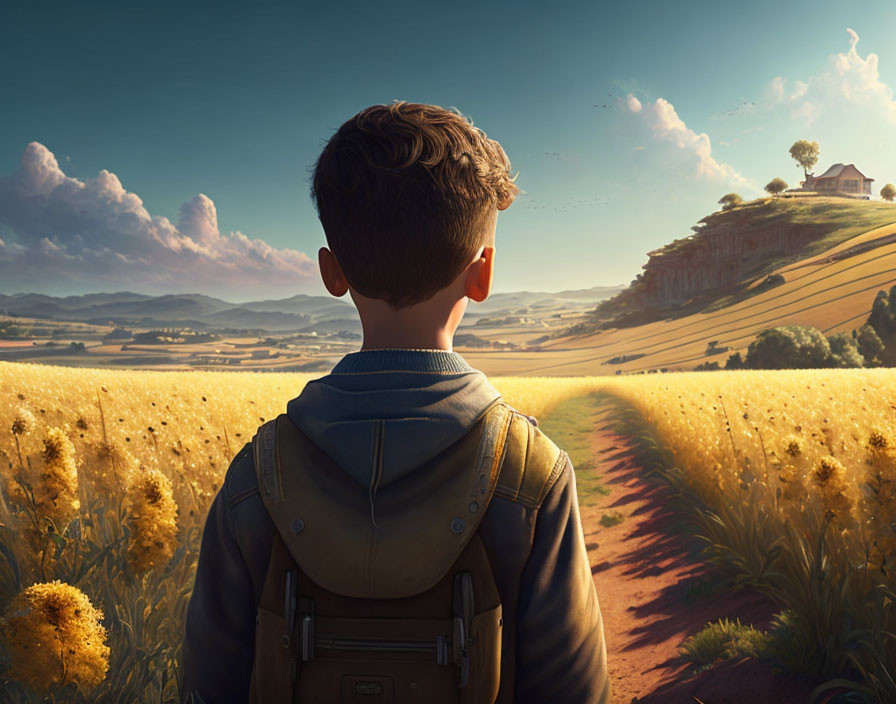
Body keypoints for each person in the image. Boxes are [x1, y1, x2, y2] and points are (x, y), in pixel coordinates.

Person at [179, 100, 611, 703]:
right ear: (482, 276)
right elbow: (574, 692)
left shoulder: (257, 473)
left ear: (332, 272)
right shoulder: (533, 476)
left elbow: (206, 685)